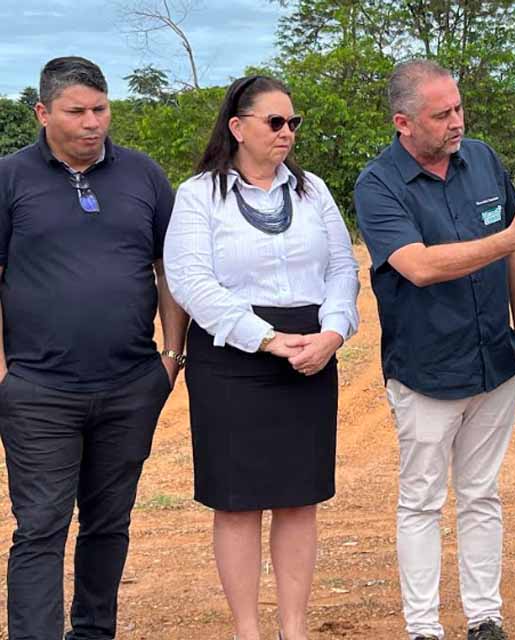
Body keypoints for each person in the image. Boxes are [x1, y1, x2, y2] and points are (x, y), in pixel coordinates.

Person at [354, 59, 515, 640]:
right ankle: (423, 627)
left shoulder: (483, 160)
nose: (456, 122)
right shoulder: (378, 184)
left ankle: (485, 617)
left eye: (458, 108)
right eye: (440, 114)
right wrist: (509, 238)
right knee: (422, 500)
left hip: (496, 361)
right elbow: (419, 267)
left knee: (481, 494)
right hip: (426, 371)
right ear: (403, 123)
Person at [163, 75, 359, 640]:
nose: (286, 132)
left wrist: (332, 333)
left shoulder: (313, 190)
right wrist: (266, 338)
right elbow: (190, 281)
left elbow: (342, 269)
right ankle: (247, 631)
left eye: (293, 122)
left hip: (310, 356)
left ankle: (294, 629)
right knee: (237, 502)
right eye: (275, 121)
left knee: (300, 500)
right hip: (231, 359)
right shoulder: (198, 195)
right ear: (237, 127)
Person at [0, 56, 187, 640]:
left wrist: (170, 356)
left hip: (131, 385)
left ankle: (93, 631)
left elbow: (169, 267)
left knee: (109, 524)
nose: (91, 122)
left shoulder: (144, 175)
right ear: (42, 112)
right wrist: (2, 373)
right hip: (38, 391)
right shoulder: (9, 178)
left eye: (100, 109)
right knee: (40, 527)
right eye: (76, 111)